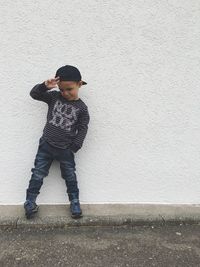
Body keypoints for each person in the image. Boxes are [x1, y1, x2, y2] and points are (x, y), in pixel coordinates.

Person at [24, 65, 90, 219]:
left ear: (79, 84)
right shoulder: (54, 97)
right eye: (61, 89)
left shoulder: (82, 108)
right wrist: (44, 86)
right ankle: (30, 202)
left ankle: (74, 202)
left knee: (70, 176)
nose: (65, 93)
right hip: (46, 145)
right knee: (37, 174)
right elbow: (34, 94)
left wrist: (74, 147)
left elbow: (83, 128)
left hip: (65, 150)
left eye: (69, 89)